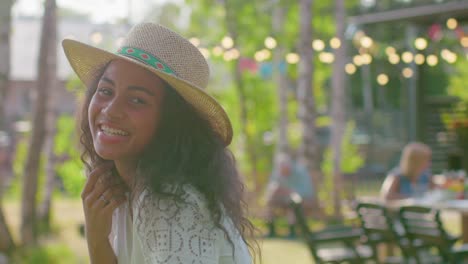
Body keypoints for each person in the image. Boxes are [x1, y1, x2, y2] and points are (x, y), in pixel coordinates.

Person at [62, 23, 256, 263]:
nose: (111, 110)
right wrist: (96, 237)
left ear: (171, 123)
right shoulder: (124, 188)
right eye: (105, 91)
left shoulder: (171, 203)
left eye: (136, 100)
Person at [264, 153, 316, 238]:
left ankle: (292, 232)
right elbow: (271, 188)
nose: (283, 173)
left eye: (284, 170)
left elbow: (306, 191)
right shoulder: (277, 172)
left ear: (289, 166)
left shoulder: (300, 172)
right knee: (270, 203)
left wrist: (289, 191)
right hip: (285, 200)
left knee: (292, 205)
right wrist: (273, 191)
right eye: (281, 170)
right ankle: (271, 231)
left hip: (304, 200)